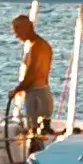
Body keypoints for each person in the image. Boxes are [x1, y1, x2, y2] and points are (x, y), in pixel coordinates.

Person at [6, 12, 58, 142]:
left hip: (36, 95)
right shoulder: (41, 45)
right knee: (39, 132)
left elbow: (31, 75)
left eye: (18, 29)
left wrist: (16, 90)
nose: (16, 34)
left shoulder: (37, 47)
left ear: (29, 27)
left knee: (34, 134)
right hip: (42, 92)